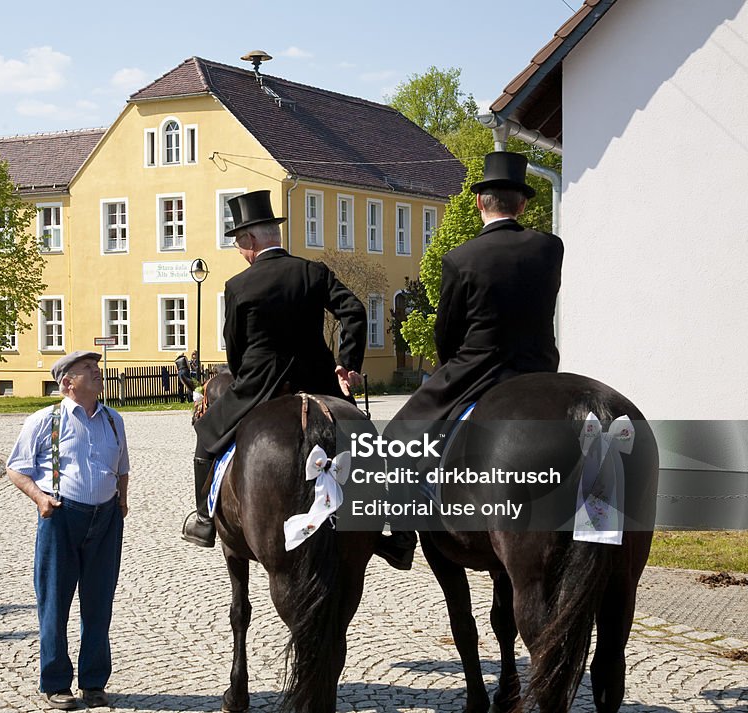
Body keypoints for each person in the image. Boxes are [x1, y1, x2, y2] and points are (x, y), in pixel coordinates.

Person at [379, 151, 565, 570]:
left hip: (478, 370)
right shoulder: (550, 247)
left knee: (396, 436)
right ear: (523, 204)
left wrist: (452, 365)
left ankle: (402, 535)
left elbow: (447, 332)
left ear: (480, 202)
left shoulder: (460, 259)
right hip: (539, 372)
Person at [182, 190, 367, 548]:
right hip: (318, 382)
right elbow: (354, 310)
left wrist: (243, 374)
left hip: (258, 386)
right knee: (362, 441)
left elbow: (235, 347)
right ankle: (388, 526)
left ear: (250, 239)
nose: (240, 252)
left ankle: (204, 519)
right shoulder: (313, 271)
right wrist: (347, 363)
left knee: (207, 436)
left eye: (239, 244)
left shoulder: (238, 285)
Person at [6, 351, 129, 711]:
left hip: (106, 520)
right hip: (61, 516)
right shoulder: (45, 420)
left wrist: (122, 499)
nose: (97, 372)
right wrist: (40, 499)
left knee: (99, 603)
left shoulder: (113, 420)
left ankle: (94, 682)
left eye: (97, 368)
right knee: (54, 602)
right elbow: (16, 468)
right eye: (87, 370)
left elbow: (122, 465)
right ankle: (56, 682)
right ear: (67, 383)